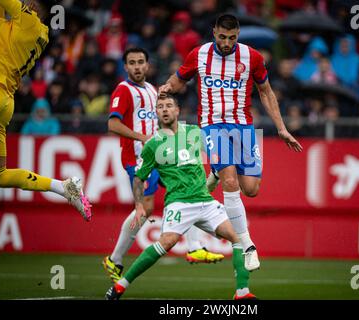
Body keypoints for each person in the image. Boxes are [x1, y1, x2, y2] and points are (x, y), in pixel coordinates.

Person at [159, 14, 303, 272]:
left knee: (251, 189)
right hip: (212, 126)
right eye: (223, 37)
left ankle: (215, 171)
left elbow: (266, 92)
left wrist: (281, 128)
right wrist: (168, 86)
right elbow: (180, 78)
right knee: (230, 182)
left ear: (238, 35)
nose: (227, 43)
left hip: (243, 127)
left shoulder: (252, 57)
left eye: (232, 38)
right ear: (214, 32)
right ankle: (247, 245)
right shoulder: (199, 54)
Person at [105, 94, 256, 300]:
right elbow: (139, 179)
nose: (165, 109)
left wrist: (217, 172)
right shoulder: (153, 144)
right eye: (160, 107)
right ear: (156, 113)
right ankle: (120, 286)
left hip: (205, 201)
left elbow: (218, 154)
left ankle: (242, 293)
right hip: (179, 203)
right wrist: (139, 205)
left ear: (178, 111)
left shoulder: (194, 133)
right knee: (166, 243)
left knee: (238, 238)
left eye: (169, 106)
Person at [102, 48, 224, 284]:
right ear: (125, 67)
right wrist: (143, 138)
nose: (137, 67)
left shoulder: (151, 90)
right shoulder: (123, 90)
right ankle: (114, 259)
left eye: (141, 62)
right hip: (138, 158)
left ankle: (195, 247)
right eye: (132, 63)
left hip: (162, 155)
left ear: (147, 65)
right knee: (146, 209)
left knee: (185, 192)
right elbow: (113, 125)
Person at [0, 0, 91, 221]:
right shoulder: (41, 34)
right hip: (4, 102)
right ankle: (63, 187)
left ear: (32, 4)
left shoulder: (25, 17)